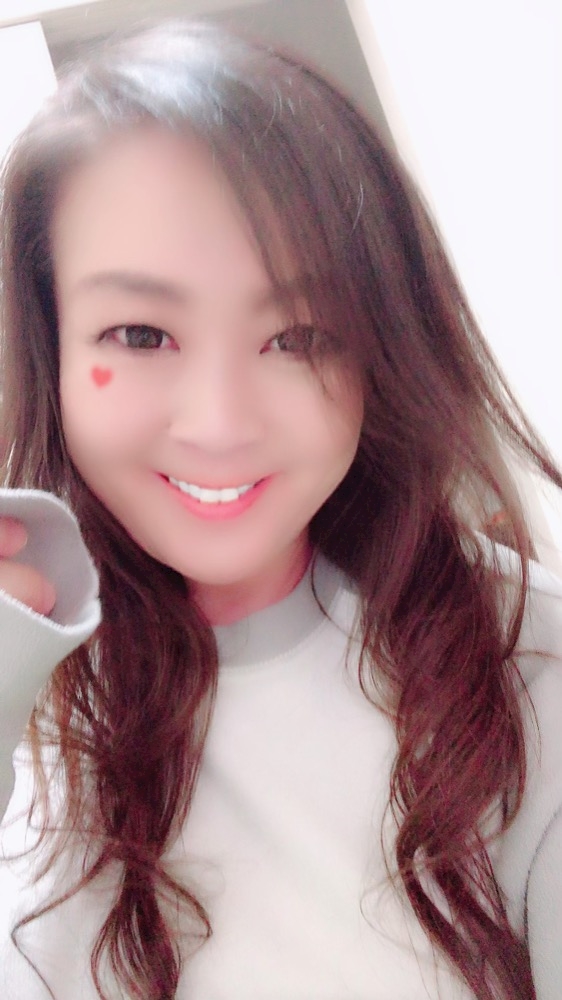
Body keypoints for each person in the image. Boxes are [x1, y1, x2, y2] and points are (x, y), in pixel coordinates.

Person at [0, 19, 561, 1000]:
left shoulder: (527, 667)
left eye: (297, 337)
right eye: (141, 334)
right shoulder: (29, 668)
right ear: (51, 345)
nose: (219, 425)